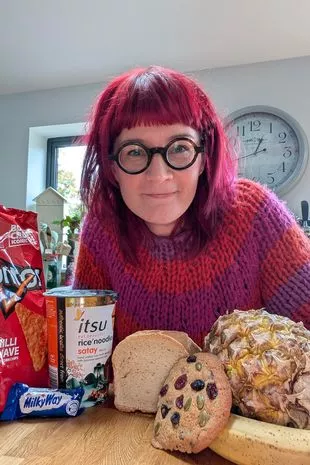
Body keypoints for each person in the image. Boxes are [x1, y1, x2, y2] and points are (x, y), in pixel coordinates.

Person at [73, 65, 310, 347]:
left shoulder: (255, 214)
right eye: (135, 152)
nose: (159, 175)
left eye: (180, 147)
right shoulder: (103, 227)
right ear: (112, 166)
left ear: (203, 158)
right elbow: (84, 357)